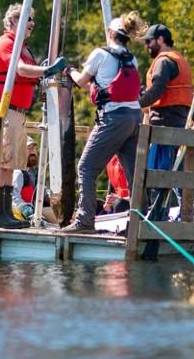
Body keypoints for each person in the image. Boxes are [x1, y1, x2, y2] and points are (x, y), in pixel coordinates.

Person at [62, 12, 145, 233]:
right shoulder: (132, 59)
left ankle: (84, 221)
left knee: (86, 167)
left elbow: (81, 81)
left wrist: (69, 70)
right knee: (133, 173)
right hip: (135, 118)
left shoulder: (100, 53)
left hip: (113, 118)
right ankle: (142, 222)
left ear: (110, 33)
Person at [0, 3, 64, 228]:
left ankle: (6, 212)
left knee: (11, 164)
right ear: (12, 23)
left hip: (17, 113)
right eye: (26, 19)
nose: (32, 23)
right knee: (4, 162)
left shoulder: (22, 47)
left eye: (32, 19)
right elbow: (19, 69)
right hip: (5, 111)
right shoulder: (5, 44)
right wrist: (47, 70)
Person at [138, 23, 194, 217]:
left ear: (160, 40)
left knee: (161, 169)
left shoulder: (164, 61)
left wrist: (135, 104)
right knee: (174, 167)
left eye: (149, 41)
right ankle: (182, 212)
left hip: (165, 121)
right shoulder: (179, 59)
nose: (147, 46)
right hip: (176, 120)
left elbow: (157, 90)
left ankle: (160, 213)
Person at [11, 137, 58, 224]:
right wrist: (26, 210)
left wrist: (54, 198)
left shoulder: (33, 173)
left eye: (34, 148)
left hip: (34, 212)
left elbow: (42, 192)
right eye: (29, 148)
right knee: (59, 215)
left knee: (62, 212)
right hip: (21, 216)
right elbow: (14, 198)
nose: (33, 150)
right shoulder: (18, 172)